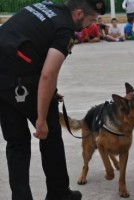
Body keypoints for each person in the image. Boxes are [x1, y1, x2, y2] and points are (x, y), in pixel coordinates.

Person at [0, 0, 106, 200]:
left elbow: (31, 44)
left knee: (16, 142)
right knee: (50, 137)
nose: (90, 26)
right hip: (22, 82)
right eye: (92, 19)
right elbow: (48, 74)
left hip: (2, 77)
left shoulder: (46, 5)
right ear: (79, 13)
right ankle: (59, 194)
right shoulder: (64, 30)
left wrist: (49, 91)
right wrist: (41, 118)